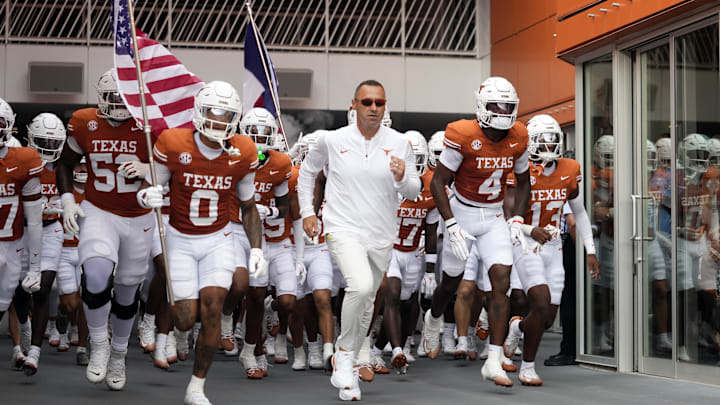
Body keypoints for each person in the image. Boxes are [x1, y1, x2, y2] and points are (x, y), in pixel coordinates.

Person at [136, 80, 267, 405]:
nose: (219, 120)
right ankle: (176, 331)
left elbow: (248, 206)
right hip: (180, 238)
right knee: (184, 316)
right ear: (199, 111)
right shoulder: (173, 141)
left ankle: (196, 387)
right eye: (213, 112)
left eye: (227, 115)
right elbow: (153, 190)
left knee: (211, 308)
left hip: (218, 239)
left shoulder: (244, 151)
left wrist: (255, 249)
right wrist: (145, 195)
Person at [298, 79, 421, 401]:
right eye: (366, 102)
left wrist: (401, 177)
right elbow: (307, 173)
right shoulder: (332, 139)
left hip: (381, 234)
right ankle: (343, 352)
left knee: (368, 301)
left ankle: (349, 369)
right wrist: (308, 213)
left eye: (379, 103)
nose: (373, 108)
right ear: (353, 105)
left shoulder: (400, 143)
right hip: (342, 228)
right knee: (362, 286)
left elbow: (414, 190)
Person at [56, 69, 155, 390]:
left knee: (127, 290)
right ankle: (99, 344)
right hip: (99, 211)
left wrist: (150, 170)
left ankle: (119, 354)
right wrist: (69, 199)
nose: (120, 104)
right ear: (101, 98)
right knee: (96, 276)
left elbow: (171, 169)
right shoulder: (85, 122)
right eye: (113, 97)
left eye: (126, 97)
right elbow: (65, 163)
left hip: (139, 216)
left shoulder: (150, 126)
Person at [501, 114, 599, 385]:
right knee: (540, 303)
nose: (548, 147)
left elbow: (579, 213)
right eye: (542, 142)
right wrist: (530, 230)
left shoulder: (569, 168)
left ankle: (517, 326)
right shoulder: (519, 170)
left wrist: (590, 249)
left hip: (554, 246)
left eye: (552, 141)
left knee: (545, 318)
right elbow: (508, 214)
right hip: (526, 243)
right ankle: (527, 368)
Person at [20, 112, 68, 375]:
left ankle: (35, 352)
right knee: (18, 290)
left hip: (51, 230)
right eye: (42, 142)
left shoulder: (62, 168)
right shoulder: (21, 162)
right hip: (23, 232)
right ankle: (25, 328)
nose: (48, 149)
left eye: (52, 143)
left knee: (43, 286)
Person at [0, 97, 44, 368]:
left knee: (5, 298)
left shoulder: (23, 159)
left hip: (12, 245)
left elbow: (35, 219)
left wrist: (36, 266)